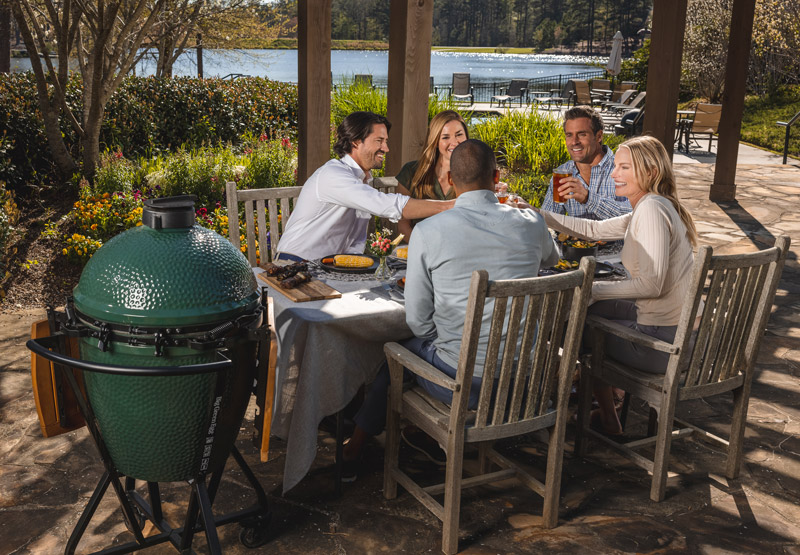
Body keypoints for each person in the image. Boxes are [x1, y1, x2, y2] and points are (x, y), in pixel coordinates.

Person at [341, 139, 559, 475]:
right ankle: (419, 438)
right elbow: (552, 258)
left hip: (465, 384)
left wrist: (439, 337)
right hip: (527, 380)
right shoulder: (531, 221)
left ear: (452, 183)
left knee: (395, 353)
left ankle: (357, 448)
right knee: (426, 348)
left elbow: (417, 321)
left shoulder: (429, 231)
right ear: (497, 176)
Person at [531, 135, 697, 436]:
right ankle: (597, 405)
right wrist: (536, 214)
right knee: (584, 314)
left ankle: (571, 403)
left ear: (649, 172)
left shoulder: (652, 210)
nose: (613, 174)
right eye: (615, 167)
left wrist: (593, 290)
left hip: (660, 345)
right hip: (671, 331)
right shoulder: (652, 205)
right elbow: (593, 230)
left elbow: (653, 284)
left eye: (623, 168)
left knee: (577, 325)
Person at [276, 111, 455, 261]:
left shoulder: (364, 178)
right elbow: (387, 205)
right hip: (295, 263)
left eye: (386, 141)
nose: (386, 148)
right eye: (379, 141)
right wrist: (451, 205)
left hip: (332, 266)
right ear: (355, 141)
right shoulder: (333, 175)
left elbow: (354, 242)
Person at [540, 105, 631, 220]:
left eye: (582, 134)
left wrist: (588, 198)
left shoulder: (623, 169)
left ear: (598, 136)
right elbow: (548, 219)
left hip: (613, 238)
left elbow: (633, 217)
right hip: (576, 238)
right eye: (569, 135)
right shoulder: (563, 173)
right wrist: (523, 211)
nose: (574, 142)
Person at [394, 110, 469, 238]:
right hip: (418, 250)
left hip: (459, 251)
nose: (455, 142)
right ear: (435, 141)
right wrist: (423, 249)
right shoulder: (411, 171)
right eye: (445, 137)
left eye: (459, 135)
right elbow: (403, 227)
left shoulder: (476, 174)